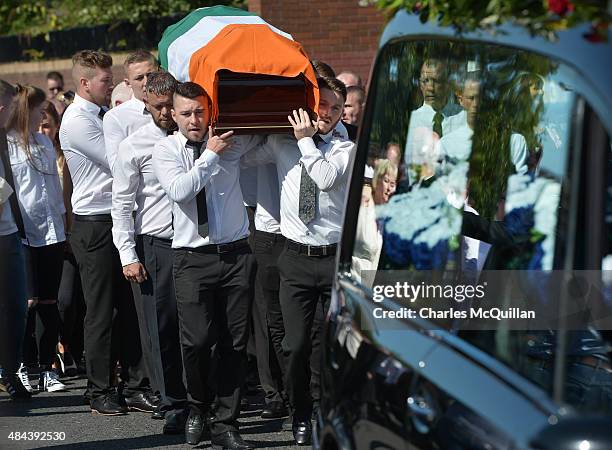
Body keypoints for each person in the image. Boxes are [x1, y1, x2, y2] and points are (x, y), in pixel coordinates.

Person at [241, 76, 354, 446]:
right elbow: (241, 155)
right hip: (294, 256)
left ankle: (322, 408)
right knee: (295, 343)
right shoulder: (281, 142)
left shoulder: (344, 148)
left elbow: (323, 178)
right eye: (323, 105)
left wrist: (306, 139)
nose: (328, 114)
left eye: (337, 108)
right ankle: (300, 411)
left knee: (325, 342)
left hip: (333, 256)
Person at [153, 81, 263, 449]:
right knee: (197, 341)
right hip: (191, 258)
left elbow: (263, 134)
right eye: (186, 113)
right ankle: (198, 406)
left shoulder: (230, 142)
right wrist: (210, 155)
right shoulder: (165, 150)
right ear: (173, 114)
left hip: (234, 254)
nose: (194, 119)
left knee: (234, 341)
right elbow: (181, 191)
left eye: (200, 111)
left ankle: (227, 423)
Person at [59, 50, 151, 416]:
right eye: (104, 80)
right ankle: (98, 391)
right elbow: (119, 162)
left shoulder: (101, 115)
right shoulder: (78, 121)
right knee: (100, 311)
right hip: (94, 223)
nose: (112, 84)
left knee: (128, 307)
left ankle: (133, 384)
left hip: (115, 217)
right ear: (84, 83)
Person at [111, 71, 187, 433]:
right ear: (146, 104)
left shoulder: (191, 138)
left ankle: (197, 397)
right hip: (155, 242)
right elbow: (122, 203)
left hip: (193, 243)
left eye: (170, 106)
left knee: (197, 327)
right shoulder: (134, 145)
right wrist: (128, 254)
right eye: (159, 107)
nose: (166, 114)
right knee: (161, 329)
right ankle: (171, 401)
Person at [6, 85, 67, 393]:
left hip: (52, 232)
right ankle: (25, 366)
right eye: (36, 110)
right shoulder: (8, 146)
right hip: (23, 234)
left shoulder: (44, 141)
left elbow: (54, 189)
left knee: (49, 302)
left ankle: (47, 368)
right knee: (27, 303)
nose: (42, 115)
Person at [39, 101, 83, 377]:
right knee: (47, 299)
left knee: (67, 300)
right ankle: (52, 354)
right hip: (41, 236)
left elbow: (69, 196)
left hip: (66, 233)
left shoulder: (64, 157)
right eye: (39, 125)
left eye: (47, 125)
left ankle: (68, 346)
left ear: (56, 127)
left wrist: (69, 230)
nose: (43, 130)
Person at [0, 79, 31, 400]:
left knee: (17, 308)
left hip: (9, 236)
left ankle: (10, 371)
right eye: (11, 106)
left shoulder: (4, 141)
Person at [103, 49, 158, 172]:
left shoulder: (175, 106)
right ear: (128, 83)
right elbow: (117, 168)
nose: (146, 82)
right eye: (139, 78)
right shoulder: (115, 117)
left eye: (150, 75)